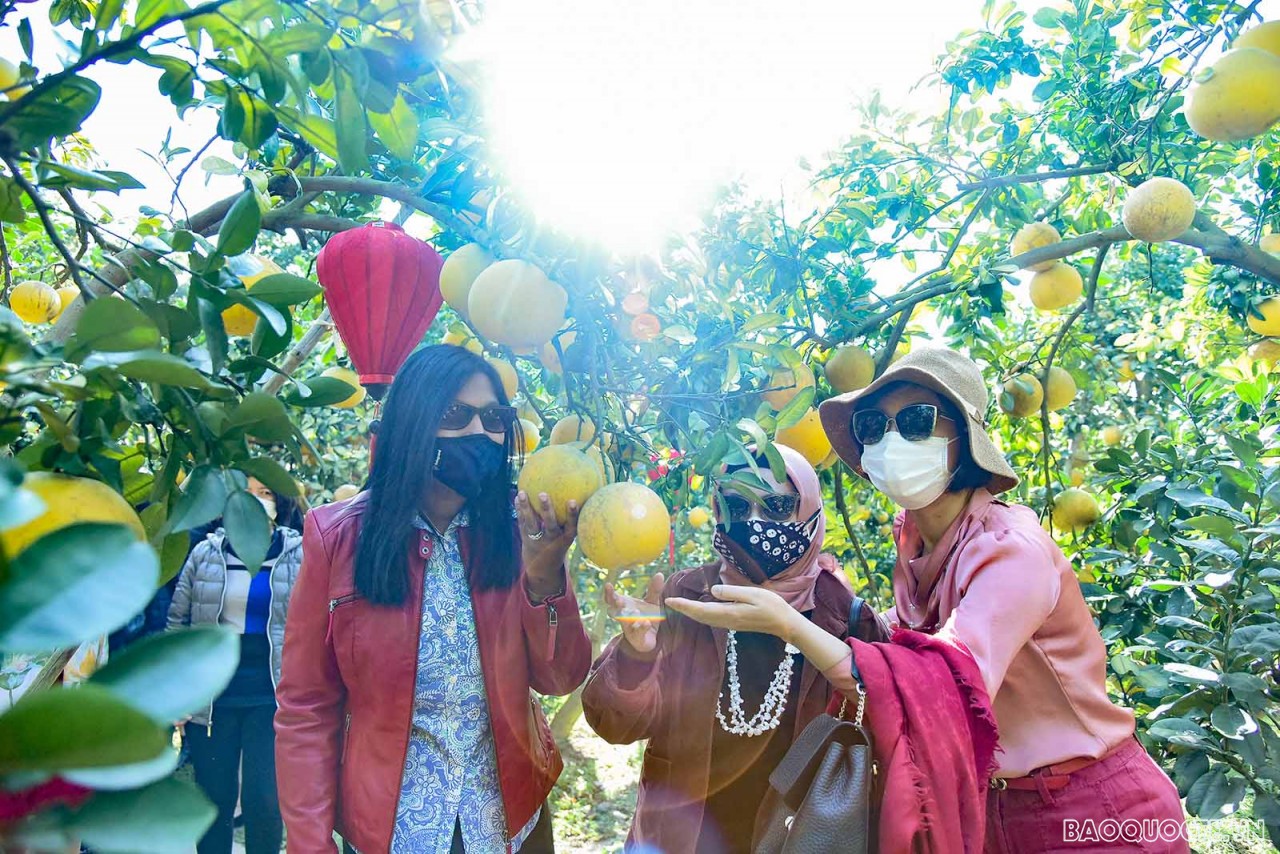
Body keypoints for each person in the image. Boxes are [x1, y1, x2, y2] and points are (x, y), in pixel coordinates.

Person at [667, 347, 1188, 853]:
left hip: (1091, 809)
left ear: (964, 438)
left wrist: (793, 626)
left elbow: (949, 682)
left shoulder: (1012, 550)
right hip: (988, 808)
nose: (892, 439)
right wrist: (825, 597)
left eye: (917, 421)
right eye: (874, 426)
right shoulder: (916, 542)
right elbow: (903, 643)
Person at [275, 344, 592, 854]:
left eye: (493, 417)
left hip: (509, 825)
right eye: (453, 414)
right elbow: (308, 705)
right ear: (411, 422)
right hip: (395, 830)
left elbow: (560, 679)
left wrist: (545, 573)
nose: (477, 432)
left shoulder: (520, 532)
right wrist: (310, 842)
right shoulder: (337, 538)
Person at [581, 444, 855, 854]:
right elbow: (615, 725)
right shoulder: (687, 597)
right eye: (738, 507)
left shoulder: (846, 619)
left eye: (778, 507)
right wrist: (637, 655)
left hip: (794, 840)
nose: (756, 522)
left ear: (811, 514)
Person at [167, 476, 305, 854]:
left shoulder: (298, 554)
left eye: (265, 493)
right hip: (213, 698)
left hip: (271, 695)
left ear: (281, 502)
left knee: (265, 801)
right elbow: (178, 624)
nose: (257, 502)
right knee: (214, 801)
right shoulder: (206, 554)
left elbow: (315, 626)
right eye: (246, 494)